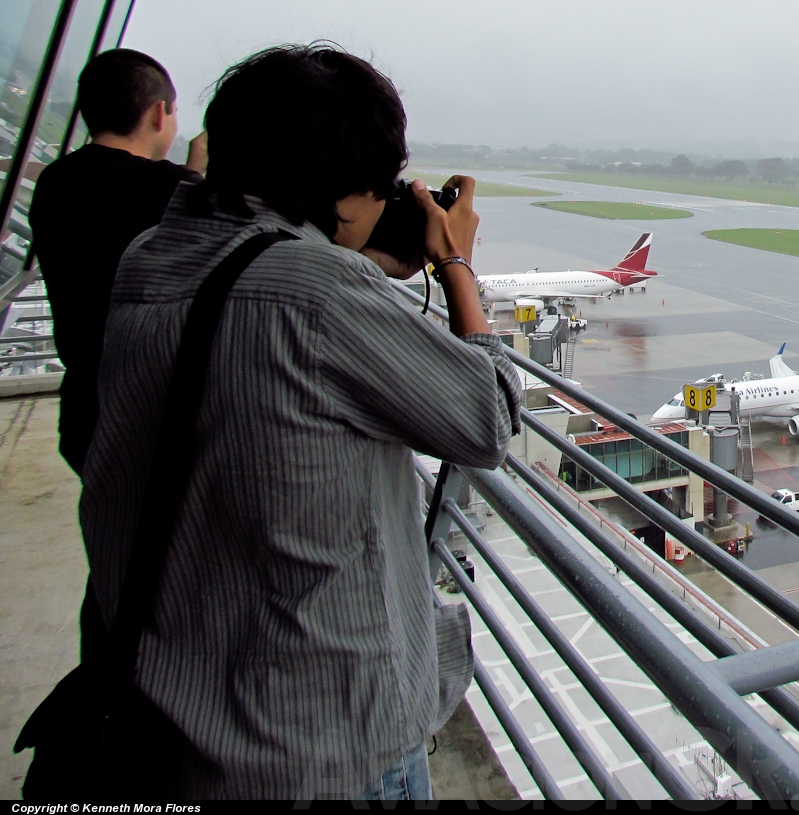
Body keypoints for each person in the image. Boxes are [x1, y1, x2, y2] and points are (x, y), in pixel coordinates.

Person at [77, 44, 520, 799]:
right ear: (341, 192)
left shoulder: (150, 258)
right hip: (325, 745)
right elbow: (488, 417)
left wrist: (358, 260)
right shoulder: (314, 295)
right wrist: (455, 264)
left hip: (181, 721)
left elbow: (250, 287)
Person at [29, 48, 207, 475]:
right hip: (150, 410)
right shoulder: (170, 190)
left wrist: (189, 176)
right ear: (160, 114)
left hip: (84, 407)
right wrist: (195, 176)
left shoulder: (54, 182)